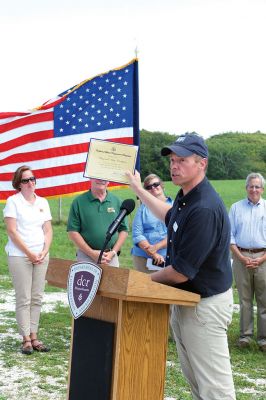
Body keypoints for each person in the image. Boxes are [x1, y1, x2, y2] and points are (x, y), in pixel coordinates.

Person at [126, 133, 236, 399]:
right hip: (186, 302)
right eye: (172, 160)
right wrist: (139, 190)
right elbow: (168, 215)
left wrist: (139, 282)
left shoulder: (204, 208)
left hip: (205, 307)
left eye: (182, 160)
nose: (174, 166)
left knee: (215, 389)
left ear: (202, 164)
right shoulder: (185, 197)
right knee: (198, 385)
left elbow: (181, 272)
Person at [3, 165, 53, 355]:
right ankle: (25, 339)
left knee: (37, 297)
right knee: (24, 298)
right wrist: (29, 254)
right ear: (19, 183)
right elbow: (12, 231)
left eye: (33, 179)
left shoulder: (43, 202)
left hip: (41, 255)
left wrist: (44, 251)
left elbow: (48, 230)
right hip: (20, 256)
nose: (31, 183)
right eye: (26, 180)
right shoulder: (13, 202)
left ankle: (34, 335)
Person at [229, 172, 266, 352]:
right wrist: (242, 258)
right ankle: (245, 336)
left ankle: (263, 339)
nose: (254, 189)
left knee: (264, 300)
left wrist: (261, 259)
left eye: (257, 186)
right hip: (240, 257)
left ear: (262, 189)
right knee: (244, 299)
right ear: (246, 188)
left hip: (263, 258)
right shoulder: (236, 208)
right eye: (251, 186)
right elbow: (230, 236)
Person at [67, 179, 128, 267]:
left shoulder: (117, 201)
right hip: (86, 256)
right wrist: (91, 253)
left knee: (112, 281)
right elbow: (72, 231)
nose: (101, 180)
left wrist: (113, 252)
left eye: (104, 177)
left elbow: (124, 230)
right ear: (90, 178)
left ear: (109, 181)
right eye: (97, 177)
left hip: (110, 257)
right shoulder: (78, 202)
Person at [131, 174, 172, 273]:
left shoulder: (175, 206)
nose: (153, 188)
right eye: (149, 187)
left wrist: (156, 247)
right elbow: (137, 234)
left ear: (162, 185)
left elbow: (176, 233)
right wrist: (153, 253)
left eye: (156, 184)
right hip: (143, 258)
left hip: (169, 258)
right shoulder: (142, 209)